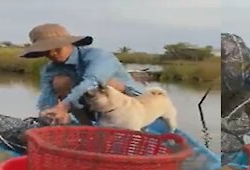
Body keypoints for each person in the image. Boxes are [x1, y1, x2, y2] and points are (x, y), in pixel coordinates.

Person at [20, 23, 167, 131]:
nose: (52, 54)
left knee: (106, 85)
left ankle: (138, 128)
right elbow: (46, 98)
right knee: (61, 82)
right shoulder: (50, 70)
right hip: (94, 108)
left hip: (132, 105)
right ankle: (89, 131)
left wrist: (63, 105)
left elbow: (92, 81)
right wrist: (49, 113)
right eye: (47, 52)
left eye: (57, 48)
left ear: (70, 44)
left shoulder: (98, 56)